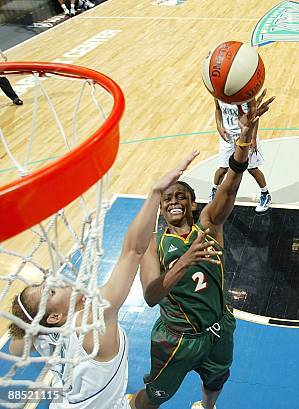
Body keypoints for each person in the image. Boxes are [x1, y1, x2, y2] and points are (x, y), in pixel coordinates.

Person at [7, 151, 203, 408]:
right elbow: (133, 250)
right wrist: (155, 193)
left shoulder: (43, 333)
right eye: (51, 292)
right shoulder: (91, 320)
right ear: (54, 316)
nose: (57, 281)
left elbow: (15, 347)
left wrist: (32, 325)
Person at [131, 91, 274, 409]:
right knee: (154, 396)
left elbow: (232, 182)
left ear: (192, 203)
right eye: (167, 198)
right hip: (177, 338)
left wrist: (245, 138)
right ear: (161, 209)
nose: (173, 200)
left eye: (180, 195)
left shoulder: (209, 224)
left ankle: (206, 407)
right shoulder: (153, 245)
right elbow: (152, 297)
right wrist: (185, 261)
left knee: (217, 379)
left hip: (220, 326)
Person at [210, 98, 271, 213]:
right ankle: (215, 192)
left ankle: (265, 194)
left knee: (252, 169)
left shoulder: (245, 95)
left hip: (245, 135)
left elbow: (254, 118)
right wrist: (219, 125)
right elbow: (218, 109)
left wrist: (252, 138)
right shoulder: (219, 93)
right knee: (223, 169)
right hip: (227, 136)